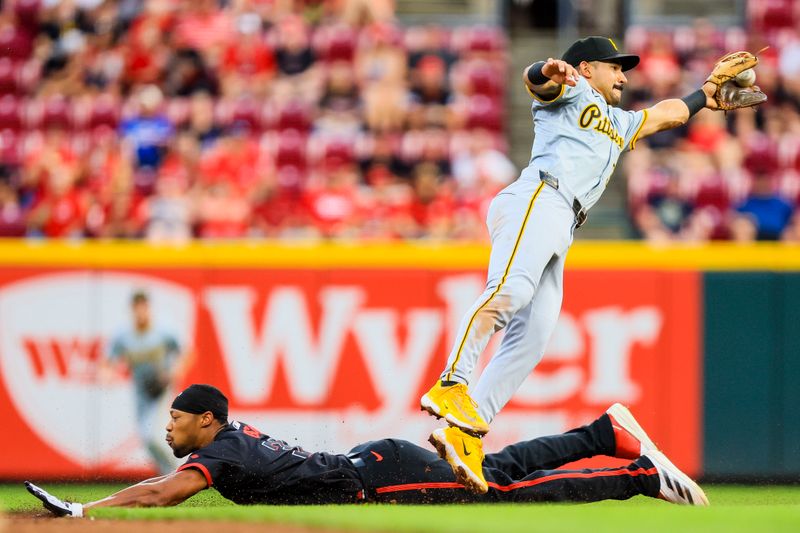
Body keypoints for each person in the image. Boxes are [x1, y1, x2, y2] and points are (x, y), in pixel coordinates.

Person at [419, 36, 737, 493]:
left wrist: (704, 95)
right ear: (587, 68)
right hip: (539, 197)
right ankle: (452, 382)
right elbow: (536, 83)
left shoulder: (620, 121)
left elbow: (667, 114)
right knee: (510, 292)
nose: (624, 76)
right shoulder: (571, 91)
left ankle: (464, 431)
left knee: (534, 335)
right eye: (616, 67)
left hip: (563, 222)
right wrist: (547, 72)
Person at [25, 384, 708, 517]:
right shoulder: (226, 443)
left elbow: (163, 491)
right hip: (378, 460)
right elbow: (162, 479)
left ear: (207, 421)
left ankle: (637, 472)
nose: (169, 429)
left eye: (177, 420)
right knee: (493, 466)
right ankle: (601, 434)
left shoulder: (223, 451)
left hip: (377, 479)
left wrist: (85, 511)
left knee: (496, 489)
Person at [107, 290, 184, 474]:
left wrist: (173, 373)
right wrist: (108, 374)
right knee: (145, 437)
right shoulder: (124, 334)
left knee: (152, 436)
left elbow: (186, 352)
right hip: (141, 390)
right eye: (137, 307)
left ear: (148, 308)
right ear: (132, 309)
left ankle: (178, 472)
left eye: (144, 307)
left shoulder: (164, 329)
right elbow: (108, 361)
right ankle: (168, 474)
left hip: (161, 389)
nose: (140, 311)